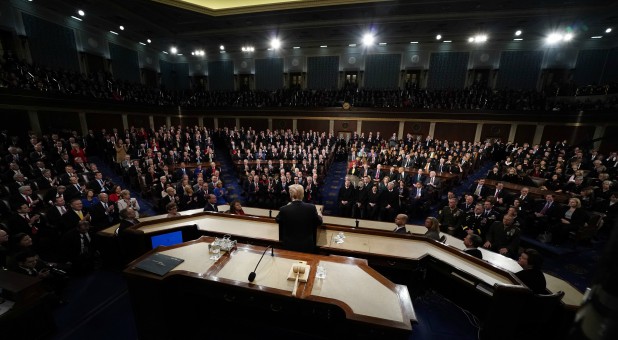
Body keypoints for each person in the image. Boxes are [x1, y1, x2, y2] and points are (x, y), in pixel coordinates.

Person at [276, 184, 322, 253]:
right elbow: (319, 222)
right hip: (306, 246)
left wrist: (288, 206)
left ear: (290, 195)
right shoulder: (311, 208)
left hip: (289, 246)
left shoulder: (284, 209)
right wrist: (320, 215)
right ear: (303, 194)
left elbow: (277, 220)